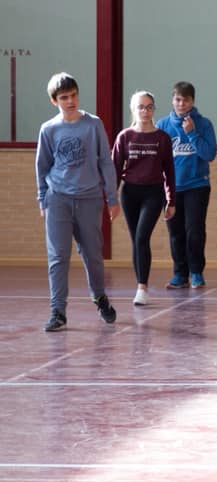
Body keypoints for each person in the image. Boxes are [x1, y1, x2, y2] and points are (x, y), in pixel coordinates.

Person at [35, 72, 119, 331]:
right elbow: (42, 165)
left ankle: (99, 296)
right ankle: (58, 311)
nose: (70, 101)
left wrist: (111, 197)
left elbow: (105, 160)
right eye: (64, 98)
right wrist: (42, 197)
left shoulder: (93, 125)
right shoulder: (49, 129)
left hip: (89, 198)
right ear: (54, 101)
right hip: (58, 198)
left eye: (73, 96)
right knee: (58, 257)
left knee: (92, 254)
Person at [112, 91, 176, 306]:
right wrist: (112, 200)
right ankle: (140, 283)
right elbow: (115, 169)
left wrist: (171, 200)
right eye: (141, 107)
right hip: (130, 193)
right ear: (133, 109)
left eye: (149, 107)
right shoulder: (125, 137)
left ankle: (142, 287)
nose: (145, 111)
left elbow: (169, 171)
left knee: (142, 237)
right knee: (136, 241)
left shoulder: (162, 138)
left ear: (153, 110)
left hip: (153, 192)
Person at [156, 81, 217, 289]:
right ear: (172, 100)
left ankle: (196, 272)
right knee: (175, 232)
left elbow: (209, 154)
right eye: (177, 99)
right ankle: (180, 274)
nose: (181, 104)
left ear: (192, 101)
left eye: (185, 100)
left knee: (195, 230)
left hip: (197, 186)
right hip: (171, 188)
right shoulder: (163, 126)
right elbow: (157, 159)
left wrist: (191, 133)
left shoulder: (204, 124)